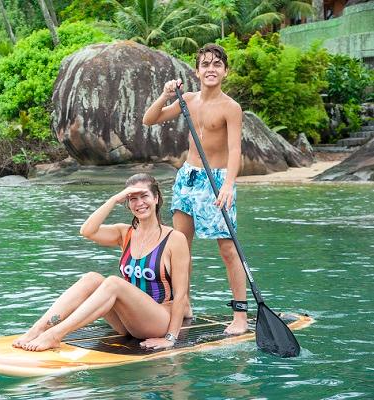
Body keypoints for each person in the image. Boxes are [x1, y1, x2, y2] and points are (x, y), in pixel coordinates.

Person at [13, 173, 191, 352]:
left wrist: (170, 338)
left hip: (160, 320)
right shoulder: (125, 233)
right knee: (92, 278)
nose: (139, 203)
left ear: (156, 198)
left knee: (114, 283)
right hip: (129, 322)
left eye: (144, 196)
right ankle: (38, 329)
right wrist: (114, 199)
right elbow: (87, 231)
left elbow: (181, 295)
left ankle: (54, 335)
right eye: (132, 199)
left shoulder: (174, 239)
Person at [142, 44, 248, 335]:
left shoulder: (231, 107)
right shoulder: (187, 99)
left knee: (228, 250)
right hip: (187, 178)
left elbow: (235, 148)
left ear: (225, 71)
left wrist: (228, 184)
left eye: (216, 64)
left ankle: (240, 316)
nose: (210, 69)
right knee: (180, 247)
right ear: (196, 71)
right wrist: (165, 94)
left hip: (217, 181)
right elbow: (149, 119)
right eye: (205, 64)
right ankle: (183, 303)